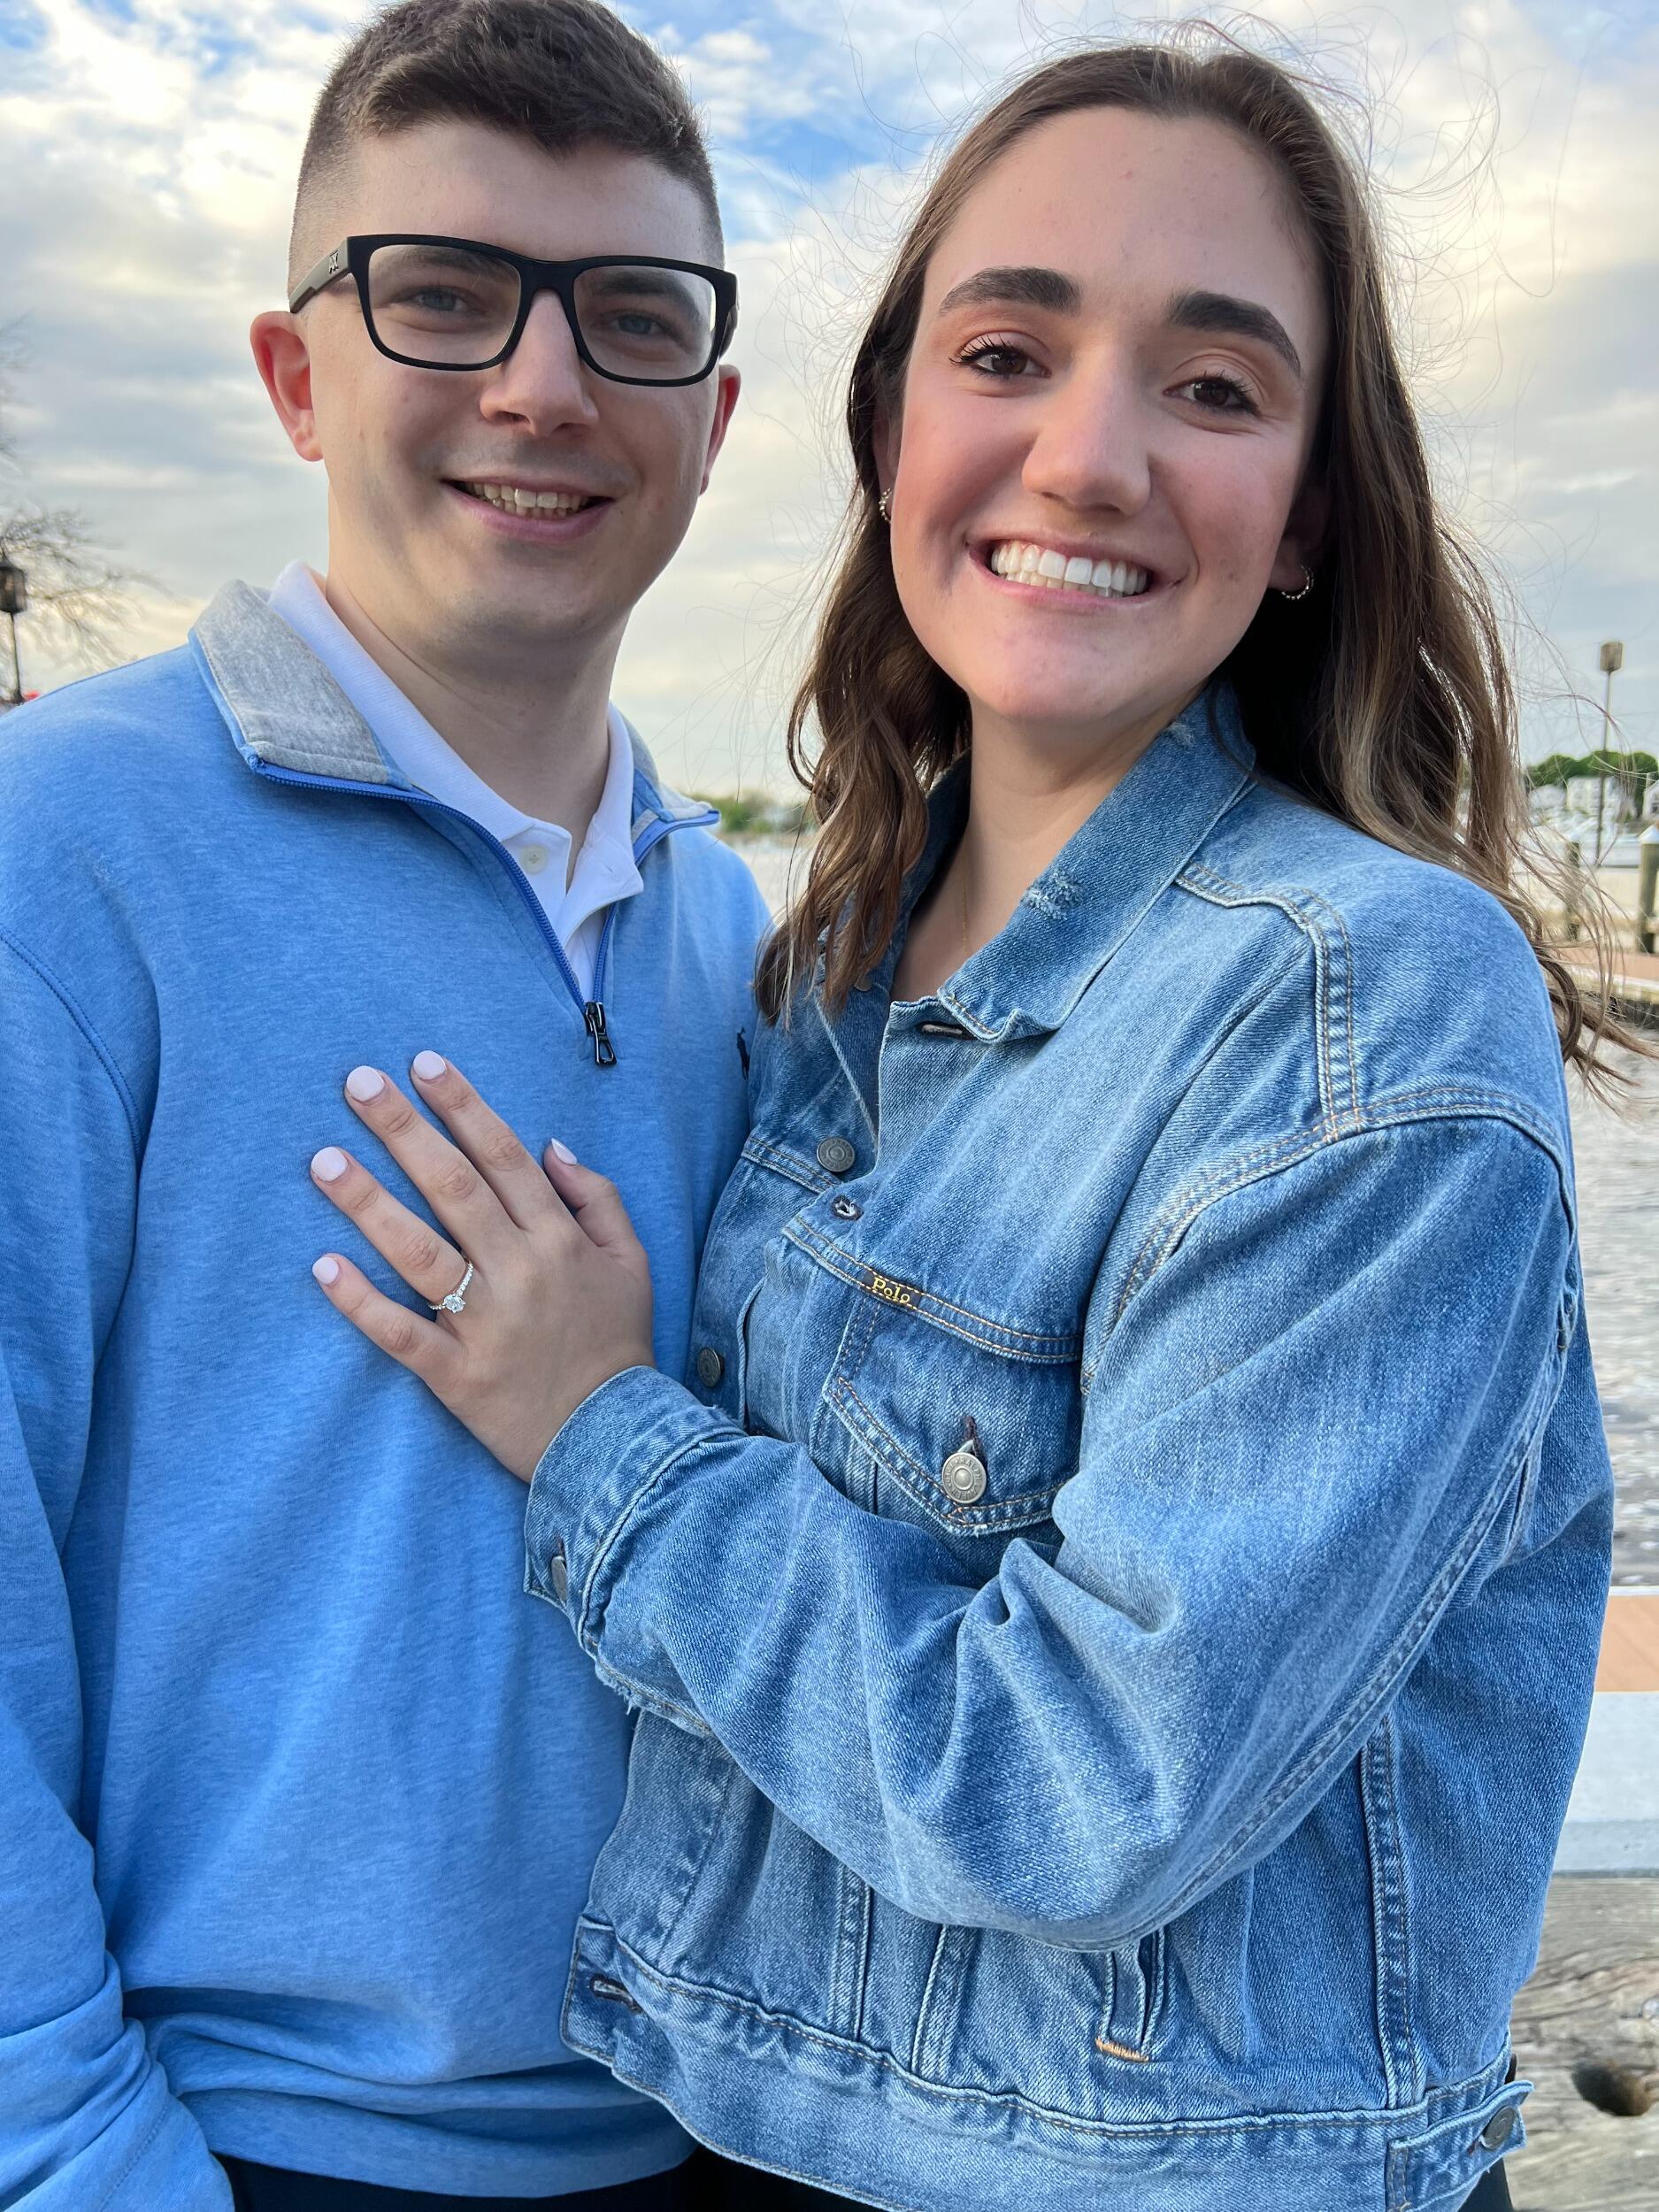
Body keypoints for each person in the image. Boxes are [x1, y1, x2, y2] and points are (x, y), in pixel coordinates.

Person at [307, 36, 1632, 2212]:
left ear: (1307, 511)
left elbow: (1087, 1785)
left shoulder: (1360, 998)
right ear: (889, 428)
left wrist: (600, 1430)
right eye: (1006, 352)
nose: (1088, 457)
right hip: (724, 2125)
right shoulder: (815, 974)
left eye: (1212, 386)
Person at [0, 3, 772, 2206]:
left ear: (711, 419)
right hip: (239, 2138)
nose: (540, 384)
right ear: (294, 374)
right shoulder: (59, 855)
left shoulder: (726, 923)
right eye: (442, 294)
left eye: (630, 316)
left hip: (724, 2121)